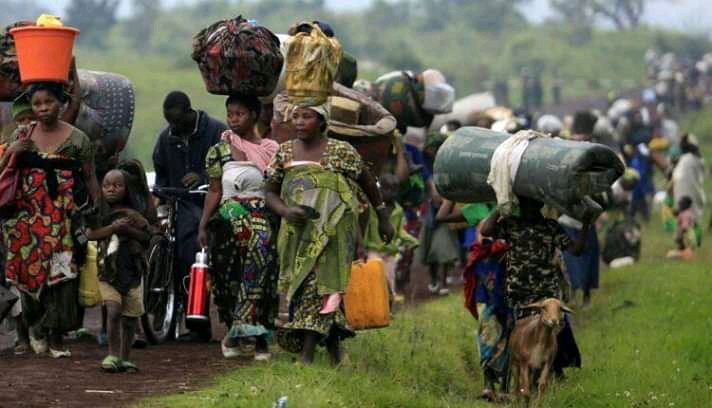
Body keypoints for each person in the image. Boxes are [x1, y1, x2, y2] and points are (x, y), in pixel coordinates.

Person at [265, 103, 394, 365]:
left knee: (323, 286)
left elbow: (368, 183)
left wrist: (383, 217)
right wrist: (285, 210)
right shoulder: (284, 152)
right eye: (296, 117)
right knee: (308, 289)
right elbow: (269, 191)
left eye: (307, 116)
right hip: (298, 234)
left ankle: (307, 355)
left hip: (335, 232)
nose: (300, 122)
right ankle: (335, 348)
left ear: (323, 121)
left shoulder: (342, 152)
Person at [0, 82, 100, 358]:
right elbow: (4, 170)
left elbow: (90, 176)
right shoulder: (23, 134)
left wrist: (96, 209)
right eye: (37, 104)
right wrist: (13, 151)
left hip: (63, 218)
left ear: (61, 103)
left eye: (49, 102)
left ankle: (56, 338)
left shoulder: (78, 139)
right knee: (27, 276)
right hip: (25, 220)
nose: (43, 109)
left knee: (63, 276)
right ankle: (36, 328)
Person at [197, 94, 279, 360]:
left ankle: (259, 339)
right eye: (230, 114)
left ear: (255, 115)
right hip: (228, 216)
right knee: (228, 278)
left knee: (262, 274)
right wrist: (203, 224)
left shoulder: (271, 150)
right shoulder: (219, 150)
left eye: (240, 114)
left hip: (262, 215)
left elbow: (276, 190)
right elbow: (215, 190)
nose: (233, 119)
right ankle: (236, 331)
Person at [480, 196, 592, 376]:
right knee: (518, 334)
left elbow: (576, 250)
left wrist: (586, 224)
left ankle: (553, 368)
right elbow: (486, 230)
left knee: (550, 331)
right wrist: (501, 207)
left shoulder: (551, 226)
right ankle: (513, 374)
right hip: (518, 292)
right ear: (520, 205)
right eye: (525, 204)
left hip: (545, 293)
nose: (529, 208)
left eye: (533, 204)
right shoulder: (511, 224)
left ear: (540, 204)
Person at [152, 91, 226, 339]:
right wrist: (159, 198)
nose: (172, 126)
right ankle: (170, 311)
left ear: (188, 111)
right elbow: (161, 173)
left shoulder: (215, 131)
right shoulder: (166, 138)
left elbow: (229, 165)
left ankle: (199, 318)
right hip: (179, 202)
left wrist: (203, 177)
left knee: (193, 249)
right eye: (168, 121)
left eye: (176, 121)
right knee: (166, 245)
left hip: (210, 201)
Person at [87, 167, 151, 372]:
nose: (111, 189)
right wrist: (114, 228)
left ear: (127, 189)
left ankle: (125, 357)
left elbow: (146, 237)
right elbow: (91, 234)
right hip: (108, 271)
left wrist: (128, 230)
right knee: (113, 310)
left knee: (130, 318)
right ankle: (112, 354)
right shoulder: (100, 213)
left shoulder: (134, 215)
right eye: (106, 185)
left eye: (117, 185)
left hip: (132, 272)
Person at [363, 173, 418, 304]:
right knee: (374, 278)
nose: (391, 192)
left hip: (390, 252)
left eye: (394, 189)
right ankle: (373, 305)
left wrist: (412, 240)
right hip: (373, 249)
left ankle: (388, 307)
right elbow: (366, 228)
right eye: (387, 188)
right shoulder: (371, 208)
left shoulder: (398, 210)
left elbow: (399, 231)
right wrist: (362, 246)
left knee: (389, 279)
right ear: (379, 189)